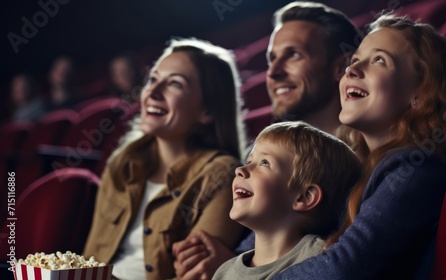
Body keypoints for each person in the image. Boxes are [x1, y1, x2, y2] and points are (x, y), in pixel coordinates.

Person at [273, 14, 446, 279]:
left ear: (419, 94)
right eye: (355, 60)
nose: (351, 70)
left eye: (379, 60)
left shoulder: (417, 168)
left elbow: (345, 266)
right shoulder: (356, 165)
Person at [172, 2, 362, 278]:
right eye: (272, 59)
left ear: (341, 67)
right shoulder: (256, 154)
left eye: (293, 55)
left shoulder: (364, 162)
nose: (273, 72)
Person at [83, 38, 247, 280]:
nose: (154, 93)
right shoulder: (122, 164)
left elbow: (193, 275)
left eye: (175, 84)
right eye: (153, 80)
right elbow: (89, 260)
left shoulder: (223, 176)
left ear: (208, 111)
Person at [212, 121, 361, 280]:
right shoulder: (224, 272)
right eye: (249, 162)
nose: (240, 170)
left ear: (305, 197)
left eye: (264, 163)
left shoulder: (319, 259)